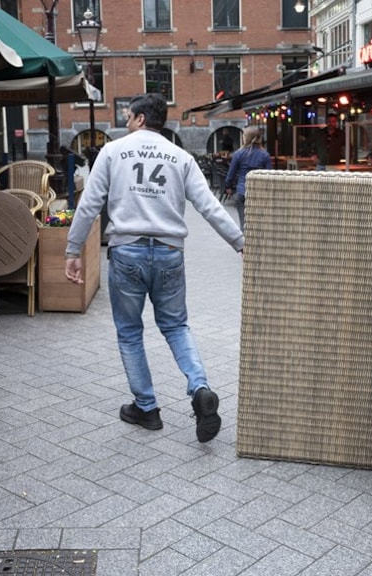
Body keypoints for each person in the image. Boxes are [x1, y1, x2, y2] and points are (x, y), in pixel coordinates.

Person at [64, 93, 244, 443]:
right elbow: (208, 205)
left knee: (130, 331)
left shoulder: (112, 152)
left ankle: (146, 407)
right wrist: (240, 242)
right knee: (176, 326)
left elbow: (89, 205)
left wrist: (73, 249)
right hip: (168, 252)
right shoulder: (181, 157)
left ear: (142, 119)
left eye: (129, 117)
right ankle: (199, 387)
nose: (126, 122)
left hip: (127, 251)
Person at [223, 126, 271, 231]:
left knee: (244, 225)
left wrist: (228, 186)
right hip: (260, 193)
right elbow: (269, 176)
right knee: (260, 226)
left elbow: (231, 174)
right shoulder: (265, 155)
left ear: (245, 138)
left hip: (242, 191)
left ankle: (245, 245)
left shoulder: (238, 154)